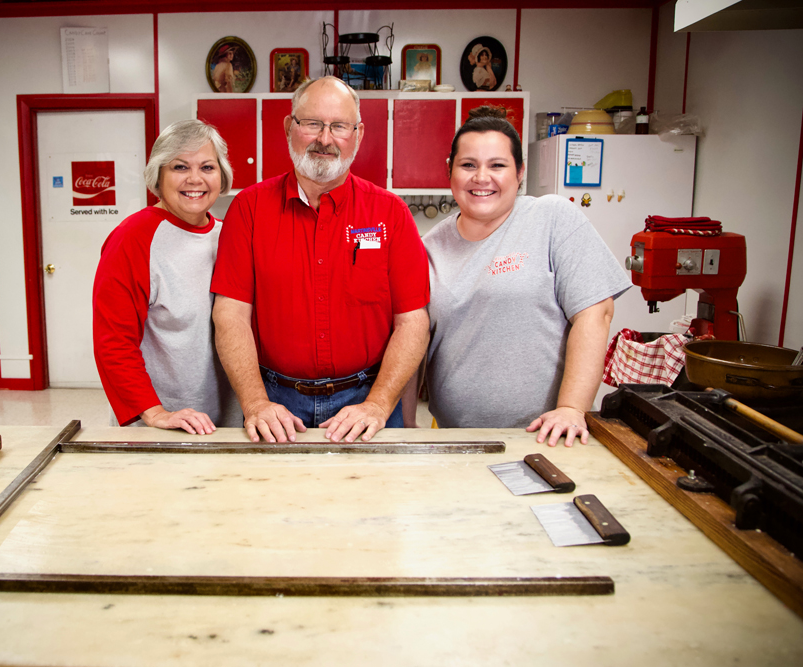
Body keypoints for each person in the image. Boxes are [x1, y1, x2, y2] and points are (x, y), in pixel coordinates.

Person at [211, 76, 430, 445]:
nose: (325, 140)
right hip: (274, 406)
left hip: (367, 404)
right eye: (312, 123)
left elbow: (413, 323)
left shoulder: (390, 214)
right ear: (289, 127)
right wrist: (255, 403)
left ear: (358, 134)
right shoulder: (248, 210)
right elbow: (230, 315)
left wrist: (378, 404)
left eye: (339, 126)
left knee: (374, 502)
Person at [419, 106, 630, 447]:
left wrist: (571, 408)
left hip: (552, 435)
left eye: (497, 165)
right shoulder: (428, 248)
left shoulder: (552, 218)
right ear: (450, 171)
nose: (481, 177)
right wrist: (404, 422)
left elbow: (595, 314)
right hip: (458, 441)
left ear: (519, 172)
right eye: (468, 165)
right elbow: (414, 340)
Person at [93, 119, 240, 434]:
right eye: (180, 167)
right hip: (161, 422)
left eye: (207, 167)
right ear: (158, 175)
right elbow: (113, 340)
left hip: (224, 420)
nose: (195, 179)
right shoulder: (133, 239)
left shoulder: (228, 236)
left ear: (222, 175)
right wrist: (154, 412)